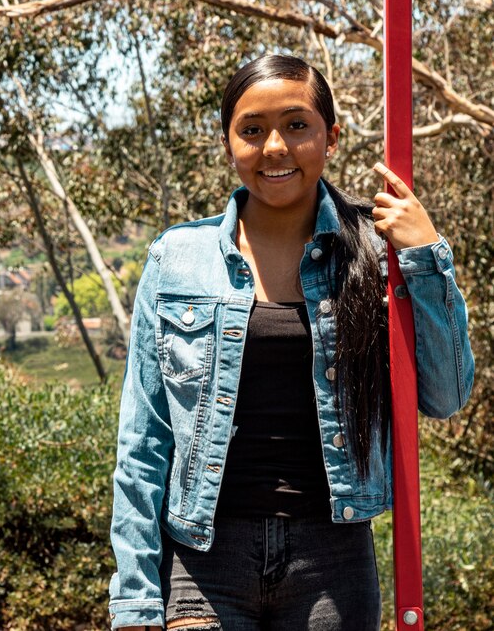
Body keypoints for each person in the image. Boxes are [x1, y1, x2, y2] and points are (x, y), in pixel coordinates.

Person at [108, 54, 474, 631]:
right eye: (251, 130)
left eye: (296, 125)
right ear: (228, 143)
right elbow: (143, 441)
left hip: (331, 560)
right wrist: (133, 601)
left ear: (331, 136)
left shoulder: (376, 258)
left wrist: (425, 256)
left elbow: (446, 394)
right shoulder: (177, 259)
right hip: (205, 560)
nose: (274, 146)